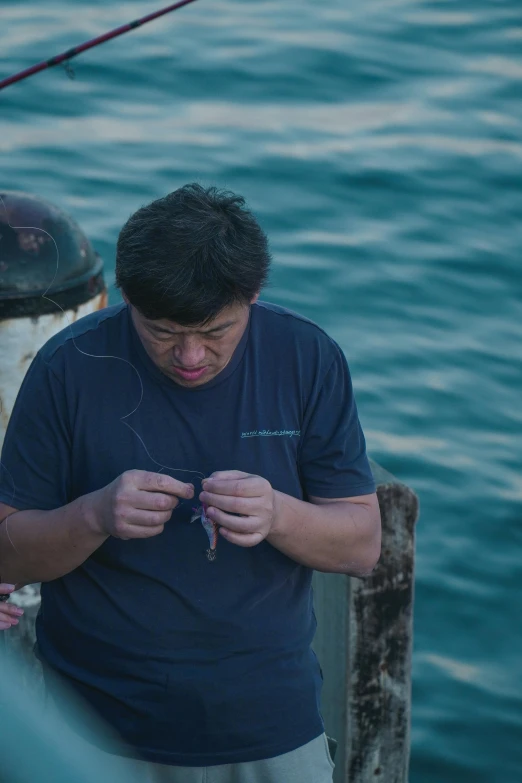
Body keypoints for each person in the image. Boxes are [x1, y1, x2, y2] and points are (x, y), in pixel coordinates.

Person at [0, 183, 381, 782]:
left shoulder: (309, 358)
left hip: (271, 727)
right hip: (94, 731)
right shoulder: (65, 367)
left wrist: (279, 514)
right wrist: (95, 515)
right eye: (163, 331)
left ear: (252, 296)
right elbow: (7, 551)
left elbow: (363, 545)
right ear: (126, 297)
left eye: (216, 332)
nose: (190, 356)